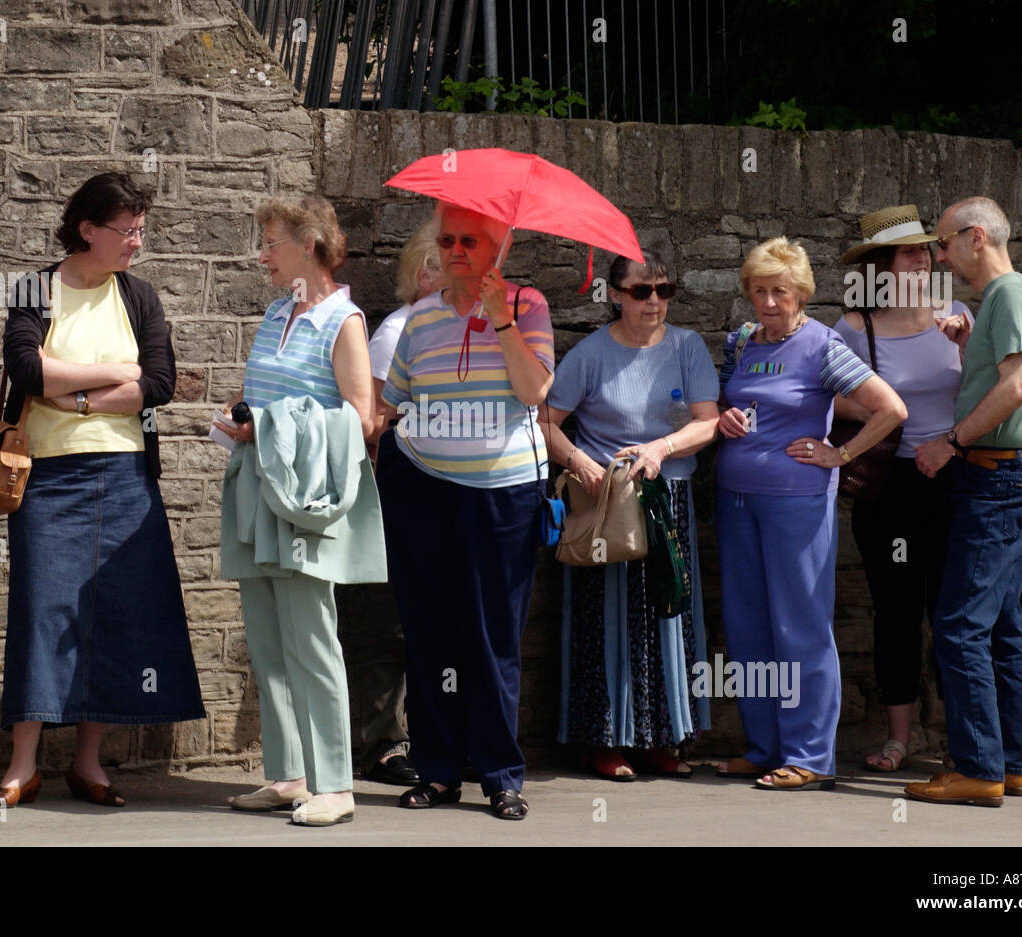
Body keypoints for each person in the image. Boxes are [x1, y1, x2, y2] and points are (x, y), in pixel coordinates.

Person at [0, 172, 204, 810]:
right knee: (41, 610)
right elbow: (26, 368)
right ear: (88, 229)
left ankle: (88, 763)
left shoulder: (139, 296)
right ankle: (22, 763)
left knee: (112, 613)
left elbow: (162, 382)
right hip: (49, 478)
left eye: (141, 230)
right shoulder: (36, 288)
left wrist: (73, 394)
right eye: (127, 230)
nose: (137, 242)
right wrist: (114, 375)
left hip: (127, 479)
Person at [378, 203, 554, 820]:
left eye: (470, 241)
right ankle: (439, 770)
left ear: (497, 248)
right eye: (448, 240)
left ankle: (501, 775)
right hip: (424, 490)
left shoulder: (527, 305)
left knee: (490, 635)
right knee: (428, 632)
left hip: (501, 492)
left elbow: (534, 392)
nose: (456, 251)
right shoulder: (419, 317)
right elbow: (393, 399)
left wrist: (501, 320)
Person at [714, 237, 906, 791]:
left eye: (780, 291)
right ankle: (763, 747)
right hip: (735, 498)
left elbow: (891, 408)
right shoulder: (740, 341)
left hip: (797, 500)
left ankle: (809, 755)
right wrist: (728, 419)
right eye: (759, 291)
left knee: (800, 626)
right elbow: (734, 402)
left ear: (801, 293)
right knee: (747, 627)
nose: (769, 302)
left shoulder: (823, 345)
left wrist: (840, 454)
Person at [218, 196, 377, 827]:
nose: (262, 255)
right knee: (267, 639)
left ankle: (335, 784)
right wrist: (241, 416)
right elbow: (261, 395)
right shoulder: (278, 313)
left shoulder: (345, 321)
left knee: (312, 640)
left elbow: (360, 419)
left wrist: (272, 426)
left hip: (305, 500)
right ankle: (289, 776)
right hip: (258, 489)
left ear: (308, 245)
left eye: (271, 242)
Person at [539, 248, 719, 781]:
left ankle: (662, 740)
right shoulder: (591, 353)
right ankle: (605, 740)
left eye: (664, 290)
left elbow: (708, 422)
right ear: (615, 295)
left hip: (668, 499)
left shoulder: (688, 348)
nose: (655, 302)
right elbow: (545, 421)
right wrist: (581, 463)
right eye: (642, 291)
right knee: (606, 619)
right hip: (606, 504)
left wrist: (661, 449)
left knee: (668, 617)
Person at [906, 196, 1022, 807]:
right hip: (1006, 476)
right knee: (999, 627)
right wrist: (971, 347)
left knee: (959, 626)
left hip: (994, 478)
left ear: (974, 237)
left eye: (942, 244)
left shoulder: (1007, 294)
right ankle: (1010, 764)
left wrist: (949, 441)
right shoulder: (1005, 301)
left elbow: (1018, 388)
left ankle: (977, 768)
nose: (939, 256)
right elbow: (1003, 378)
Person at [833, 205, 973, 773]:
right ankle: (899, 738)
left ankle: (965, 741)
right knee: (895, 610)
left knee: (955, 611)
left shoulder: (958, 313)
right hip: (890, 485)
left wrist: (965, 345)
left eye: (924, 250)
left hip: (954, 479)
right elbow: (827, 398)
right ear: (882, 265)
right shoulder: (853, 326)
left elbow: (992, 388)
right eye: (911, 252)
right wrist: (879, 407)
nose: (924, 258)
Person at [335, 219, 444, 787]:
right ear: (423, 274)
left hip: (443, 492)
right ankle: (381, 744)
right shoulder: (395, 330)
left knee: (430, 622)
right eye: (446, 263)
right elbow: (369, 419)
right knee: (384, 622)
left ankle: (437, 739)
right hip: (391, 493)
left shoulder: (463, 327)